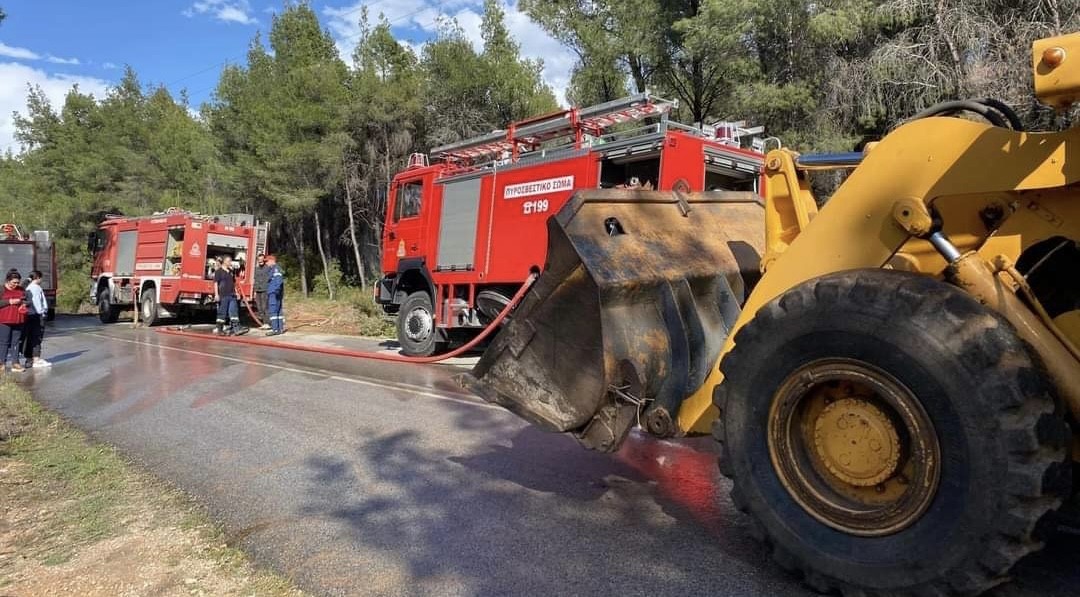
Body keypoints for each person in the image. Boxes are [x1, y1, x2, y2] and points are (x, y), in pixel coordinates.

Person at [21, 270, 49, 368]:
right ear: (37, 278)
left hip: (30, 315)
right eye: (41, 278)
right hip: (37, 315)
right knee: (37, 337)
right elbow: (37, 302)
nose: (41, 280)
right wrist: (42, 313)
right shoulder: (36, 288)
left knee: (30, 337)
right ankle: (36, 359)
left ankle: (29, 360)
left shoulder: (27, 287)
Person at [0, 270, 27, 372]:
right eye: (13, 282)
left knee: (16, 342)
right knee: (4, 342)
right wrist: (9, 301)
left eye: (17, 282)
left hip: (18, 320)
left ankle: (15, 363)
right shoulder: (1, 289)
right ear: (8, 280)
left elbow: (26, 299)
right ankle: (1, 363)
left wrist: (25, 304)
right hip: (4, 321)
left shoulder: (21, 289)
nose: (16, 284)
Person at [213, 256, 242, 335]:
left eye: (230, 261)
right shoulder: (218, 272)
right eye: (229, 261)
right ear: (224, 262)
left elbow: (233, 283)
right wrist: (216, 295)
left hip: (232, 295)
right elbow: (215, 283)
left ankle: (236, 329)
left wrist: (236, 292)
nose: (230, 263)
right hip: (223, 295)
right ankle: (220, 329)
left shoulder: (230, 272)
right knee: (222, 312)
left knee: (234, 312)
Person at [265, 254, 285, 336]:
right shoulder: (274, 269)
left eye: (267, 261)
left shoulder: (275, 269)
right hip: (276, 293)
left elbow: (278, 280)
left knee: (273, 311)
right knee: (278, 311)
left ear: (272, 261)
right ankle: (280, 329)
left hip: (274, 293)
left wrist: (276, 291)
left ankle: (275, 329)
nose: (266, 263)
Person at [253, 253, 271, 330]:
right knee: (259, 307)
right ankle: (264, 323)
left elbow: (270, 278)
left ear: (264, 259)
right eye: (259, 259)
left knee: (265, 307)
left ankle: (267, 323)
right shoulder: (256, 269)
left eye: (261, 259)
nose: (260, 261)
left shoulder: (267, 268)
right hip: (258, 290)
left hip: (265, 289)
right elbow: (255, 280)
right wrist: (254, 291)